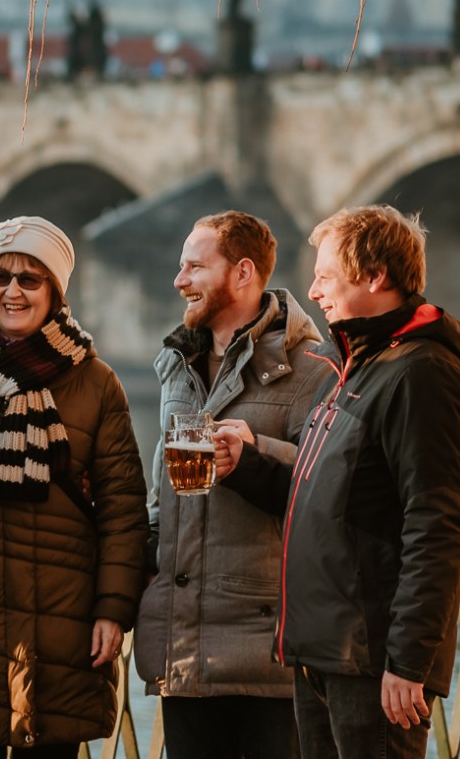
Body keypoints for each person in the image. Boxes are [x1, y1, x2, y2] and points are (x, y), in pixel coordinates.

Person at [213, 205, 460, 759]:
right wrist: (246, 467)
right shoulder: (360, 364)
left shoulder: (420, 373)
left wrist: (407, 663)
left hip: (372, 660)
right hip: (325, 652)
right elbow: (328, 501)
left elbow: (436, 527)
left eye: (325, 276)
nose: (311, 291)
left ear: (375, 277)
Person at [0, 216, 149, 758]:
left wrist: (113, 608)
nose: (11, 291)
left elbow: (123, 511)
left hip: (64, 628)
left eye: (29, 279)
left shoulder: (96, 382)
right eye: (0, 277)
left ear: (55, 293)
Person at [137, 212, 331, 759]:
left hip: (267, 649)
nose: (179, 281)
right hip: (184, 645)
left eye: (195, 267)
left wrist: (253, 455)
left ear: (243, 272)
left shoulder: (312, 369)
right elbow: (161, 492)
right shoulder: (177, 363)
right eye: (180, 266)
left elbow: (328, 487)